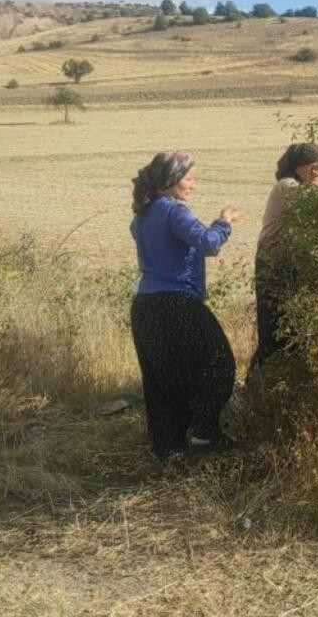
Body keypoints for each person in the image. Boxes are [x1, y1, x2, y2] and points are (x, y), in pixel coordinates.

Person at [129, 150, 240, 462]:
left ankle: (169, 450)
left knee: (163, 379)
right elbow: (209, 242)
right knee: (219, 365)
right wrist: (224, 222)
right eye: (189, 179)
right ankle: (204, 435)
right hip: (177, 303)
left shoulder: (142, 214)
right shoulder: (172, 210)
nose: (193, 185)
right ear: (170, 180)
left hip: (145, 306)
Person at [248, 142, 318, 379]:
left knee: (292, 327)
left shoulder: (298, 187)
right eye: (313, 166)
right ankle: (258, 384)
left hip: (288, 265)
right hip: (273, 265)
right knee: (274, 327)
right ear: (298, 166)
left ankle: (281, 384)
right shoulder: (287, 186)